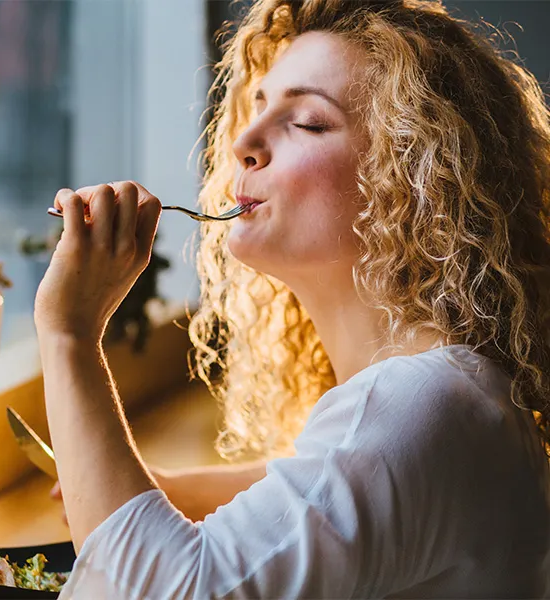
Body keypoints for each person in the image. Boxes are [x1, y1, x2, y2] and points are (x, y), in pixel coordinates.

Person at [34, 0, 550, 596]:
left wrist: (69, 332)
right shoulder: (451, 394)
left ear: (416, 179)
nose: (245, 142)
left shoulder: (423, 403)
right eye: (258, 106)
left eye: (307, 121)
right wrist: (167, 490)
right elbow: (330, 484)